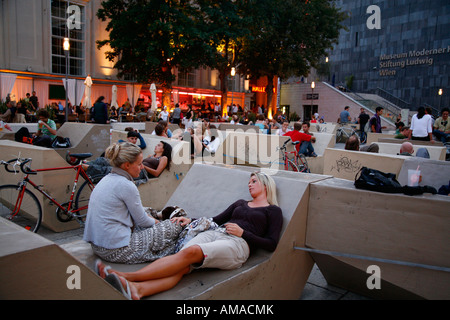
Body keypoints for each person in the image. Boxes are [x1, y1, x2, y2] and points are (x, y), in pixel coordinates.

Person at [95, 171, 283, 300]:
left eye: (253, 181)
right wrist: (189, 219)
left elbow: (272, 243)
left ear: (265, 184)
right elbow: (216, 219)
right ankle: (138, 291)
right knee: (182, 263)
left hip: (238, 245)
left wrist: (244, 233)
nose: (249, 185)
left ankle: (128, 278)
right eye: (248, 182)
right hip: (216, 233)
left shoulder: (273, 211)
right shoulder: (241, 203)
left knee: (189, 253)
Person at [83, 142, 184, 265]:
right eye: (139, 164)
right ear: (126, 165)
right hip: (115, 249)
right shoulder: (126, 185)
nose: (142, 167)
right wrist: (158, 223)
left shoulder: (106, 179)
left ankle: (159, 216)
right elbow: (142, 221)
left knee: (146, 211)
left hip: (97, 245)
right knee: (175, 225)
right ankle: (162, 219)